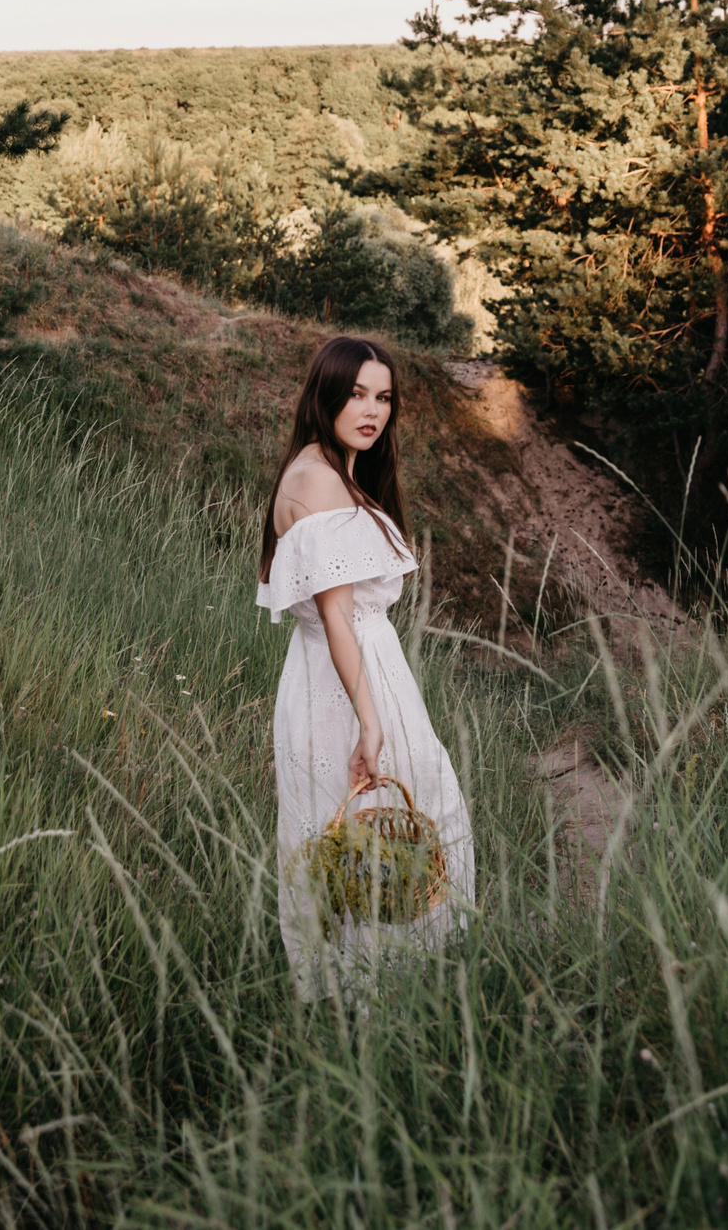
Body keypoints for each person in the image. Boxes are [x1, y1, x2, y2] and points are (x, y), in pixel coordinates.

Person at [257, 335, 475, 1001]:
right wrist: (371, 718)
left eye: (383, 396)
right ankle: (369, 1000)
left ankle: (373, 991)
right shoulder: (319, 479)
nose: (372, 410)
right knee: (365, 833)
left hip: (347, 673)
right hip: (346, 681)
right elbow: (339, 618)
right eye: (355, 393)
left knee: (366, 833)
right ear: (325, 394)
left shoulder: (326, 468)